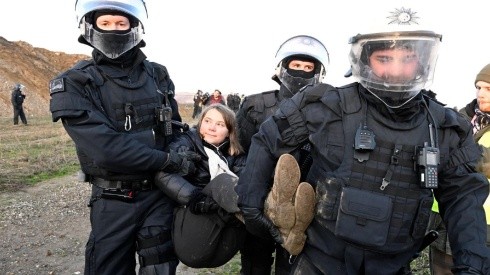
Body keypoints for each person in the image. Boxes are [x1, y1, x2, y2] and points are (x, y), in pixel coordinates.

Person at [235, 6, 490, 275]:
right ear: (366, 60)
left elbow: (463, 199)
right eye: (385, 58)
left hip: (392, 266)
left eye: (407, 58)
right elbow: (267, 138)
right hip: (318, 261)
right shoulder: (327, 105)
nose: (396, 69)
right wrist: (251, 204)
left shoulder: (444, 127)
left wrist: (472, 264)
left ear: (424, 61)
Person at [49, 1, 199, 274]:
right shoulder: (74, 82)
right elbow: (107, 149)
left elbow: (176, 127)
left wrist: (183, 152)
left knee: (161, 267)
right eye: (105, 23)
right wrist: (168, 160)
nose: (114, 30)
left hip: (159, 195)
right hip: (113, 200)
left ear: (134, 26)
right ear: (90, 27)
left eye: (121, 23)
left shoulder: (158, 74)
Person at [235, 34, 330, 275]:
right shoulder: (255, 105)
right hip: (259, 198)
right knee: (255, 263)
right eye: (296, 66)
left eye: (309, 67)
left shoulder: (326, 111)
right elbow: (241, 150)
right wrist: (254, 195)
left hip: (302, 206)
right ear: (283, 67)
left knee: (291, 264)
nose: (301, 73)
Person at [155, 104, 247, 268]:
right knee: (224, 180)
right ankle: (268, 214)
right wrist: (195, 198)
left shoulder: (236, 155)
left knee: (245, 183)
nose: (212, 128)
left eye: (220, 124)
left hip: (224, 244)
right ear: (200, 123)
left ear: (229, 132)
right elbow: (162, 174)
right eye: (207, 121)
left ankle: (281, 225)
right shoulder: (186, 143)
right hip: (194, 239)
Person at [428, 63, 490, 274]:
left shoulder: (454, 127)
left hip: (483, 226)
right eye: (478, 87)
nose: (481, 94)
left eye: (488, 89)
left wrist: (458, 152)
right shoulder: (459, 119)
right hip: (443, 217)